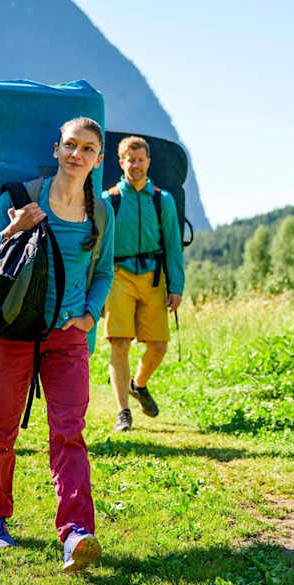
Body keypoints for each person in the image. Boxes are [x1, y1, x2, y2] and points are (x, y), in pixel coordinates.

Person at [0, 117, 114, 572]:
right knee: (2, 429)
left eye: (87, 149)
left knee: (69, 432)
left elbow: (104, 271)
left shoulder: (101, 212)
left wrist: (89, 314)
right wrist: (12, 230)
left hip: (67, 338)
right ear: (56, 149)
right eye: (70, 145)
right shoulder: (21, 197)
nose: (76, 154)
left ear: (98, 159)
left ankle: (76, 533)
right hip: (13, 331)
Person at [102, 136, 185, 432]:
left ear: (148, 162)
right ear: (121, 163)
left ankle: (138, 385)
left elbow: (173, 245)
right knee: (120, 343)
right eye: (130, 160)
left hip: (153, 277)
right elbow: (98, 246)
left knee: (159, 346)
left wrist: (176, 286)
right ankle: (123, 411)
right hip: (118, 276)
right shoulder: (109, 199)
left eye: (140, 160)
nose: (135, 165)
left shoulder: (163, 200)